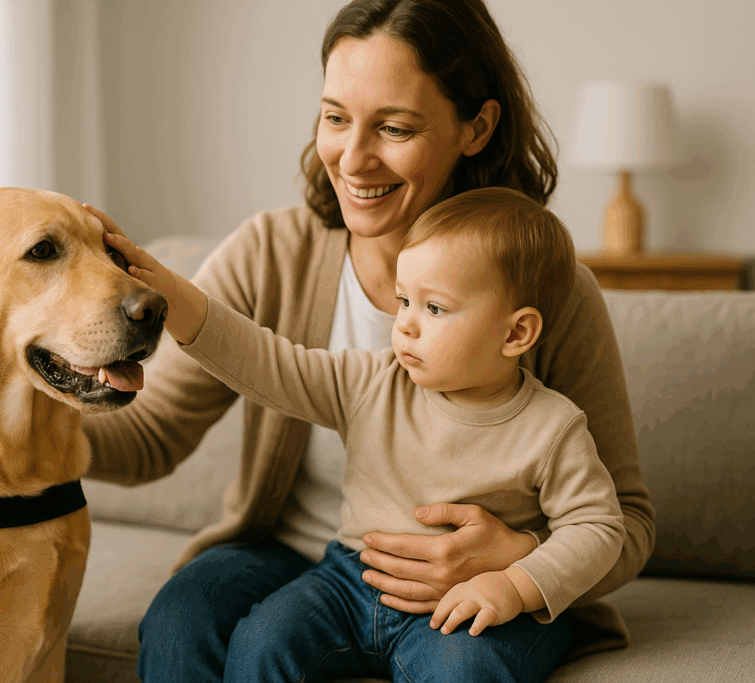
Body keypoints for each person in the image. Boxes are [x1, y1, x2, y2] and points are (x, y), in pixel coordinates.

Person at [80, 0, 654, 681]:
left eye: (395, 126)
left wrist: (518, 556)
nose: (352, 159)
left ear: (477, 126)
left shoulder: (546, 293)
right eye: (334, 117)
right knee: (183, 616)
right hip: (306, 559)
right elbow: (163, 428)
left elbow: (625, 519)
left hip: (473, 586)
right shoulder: (271, 255)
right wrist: (32, 427)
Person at [100, 186, 626, 683]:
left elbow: (600, 526)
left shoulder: (554, 427)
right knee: (263, 642)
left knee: (462, 670)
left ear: (516, 333)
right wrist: (173, 295)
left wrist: (515, 582)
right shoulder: (373, 380)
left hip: (466, 598)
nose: (406, 325)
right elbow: (268, 364)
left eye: (434, 308)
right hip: (349, 579)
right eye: (403, 301)